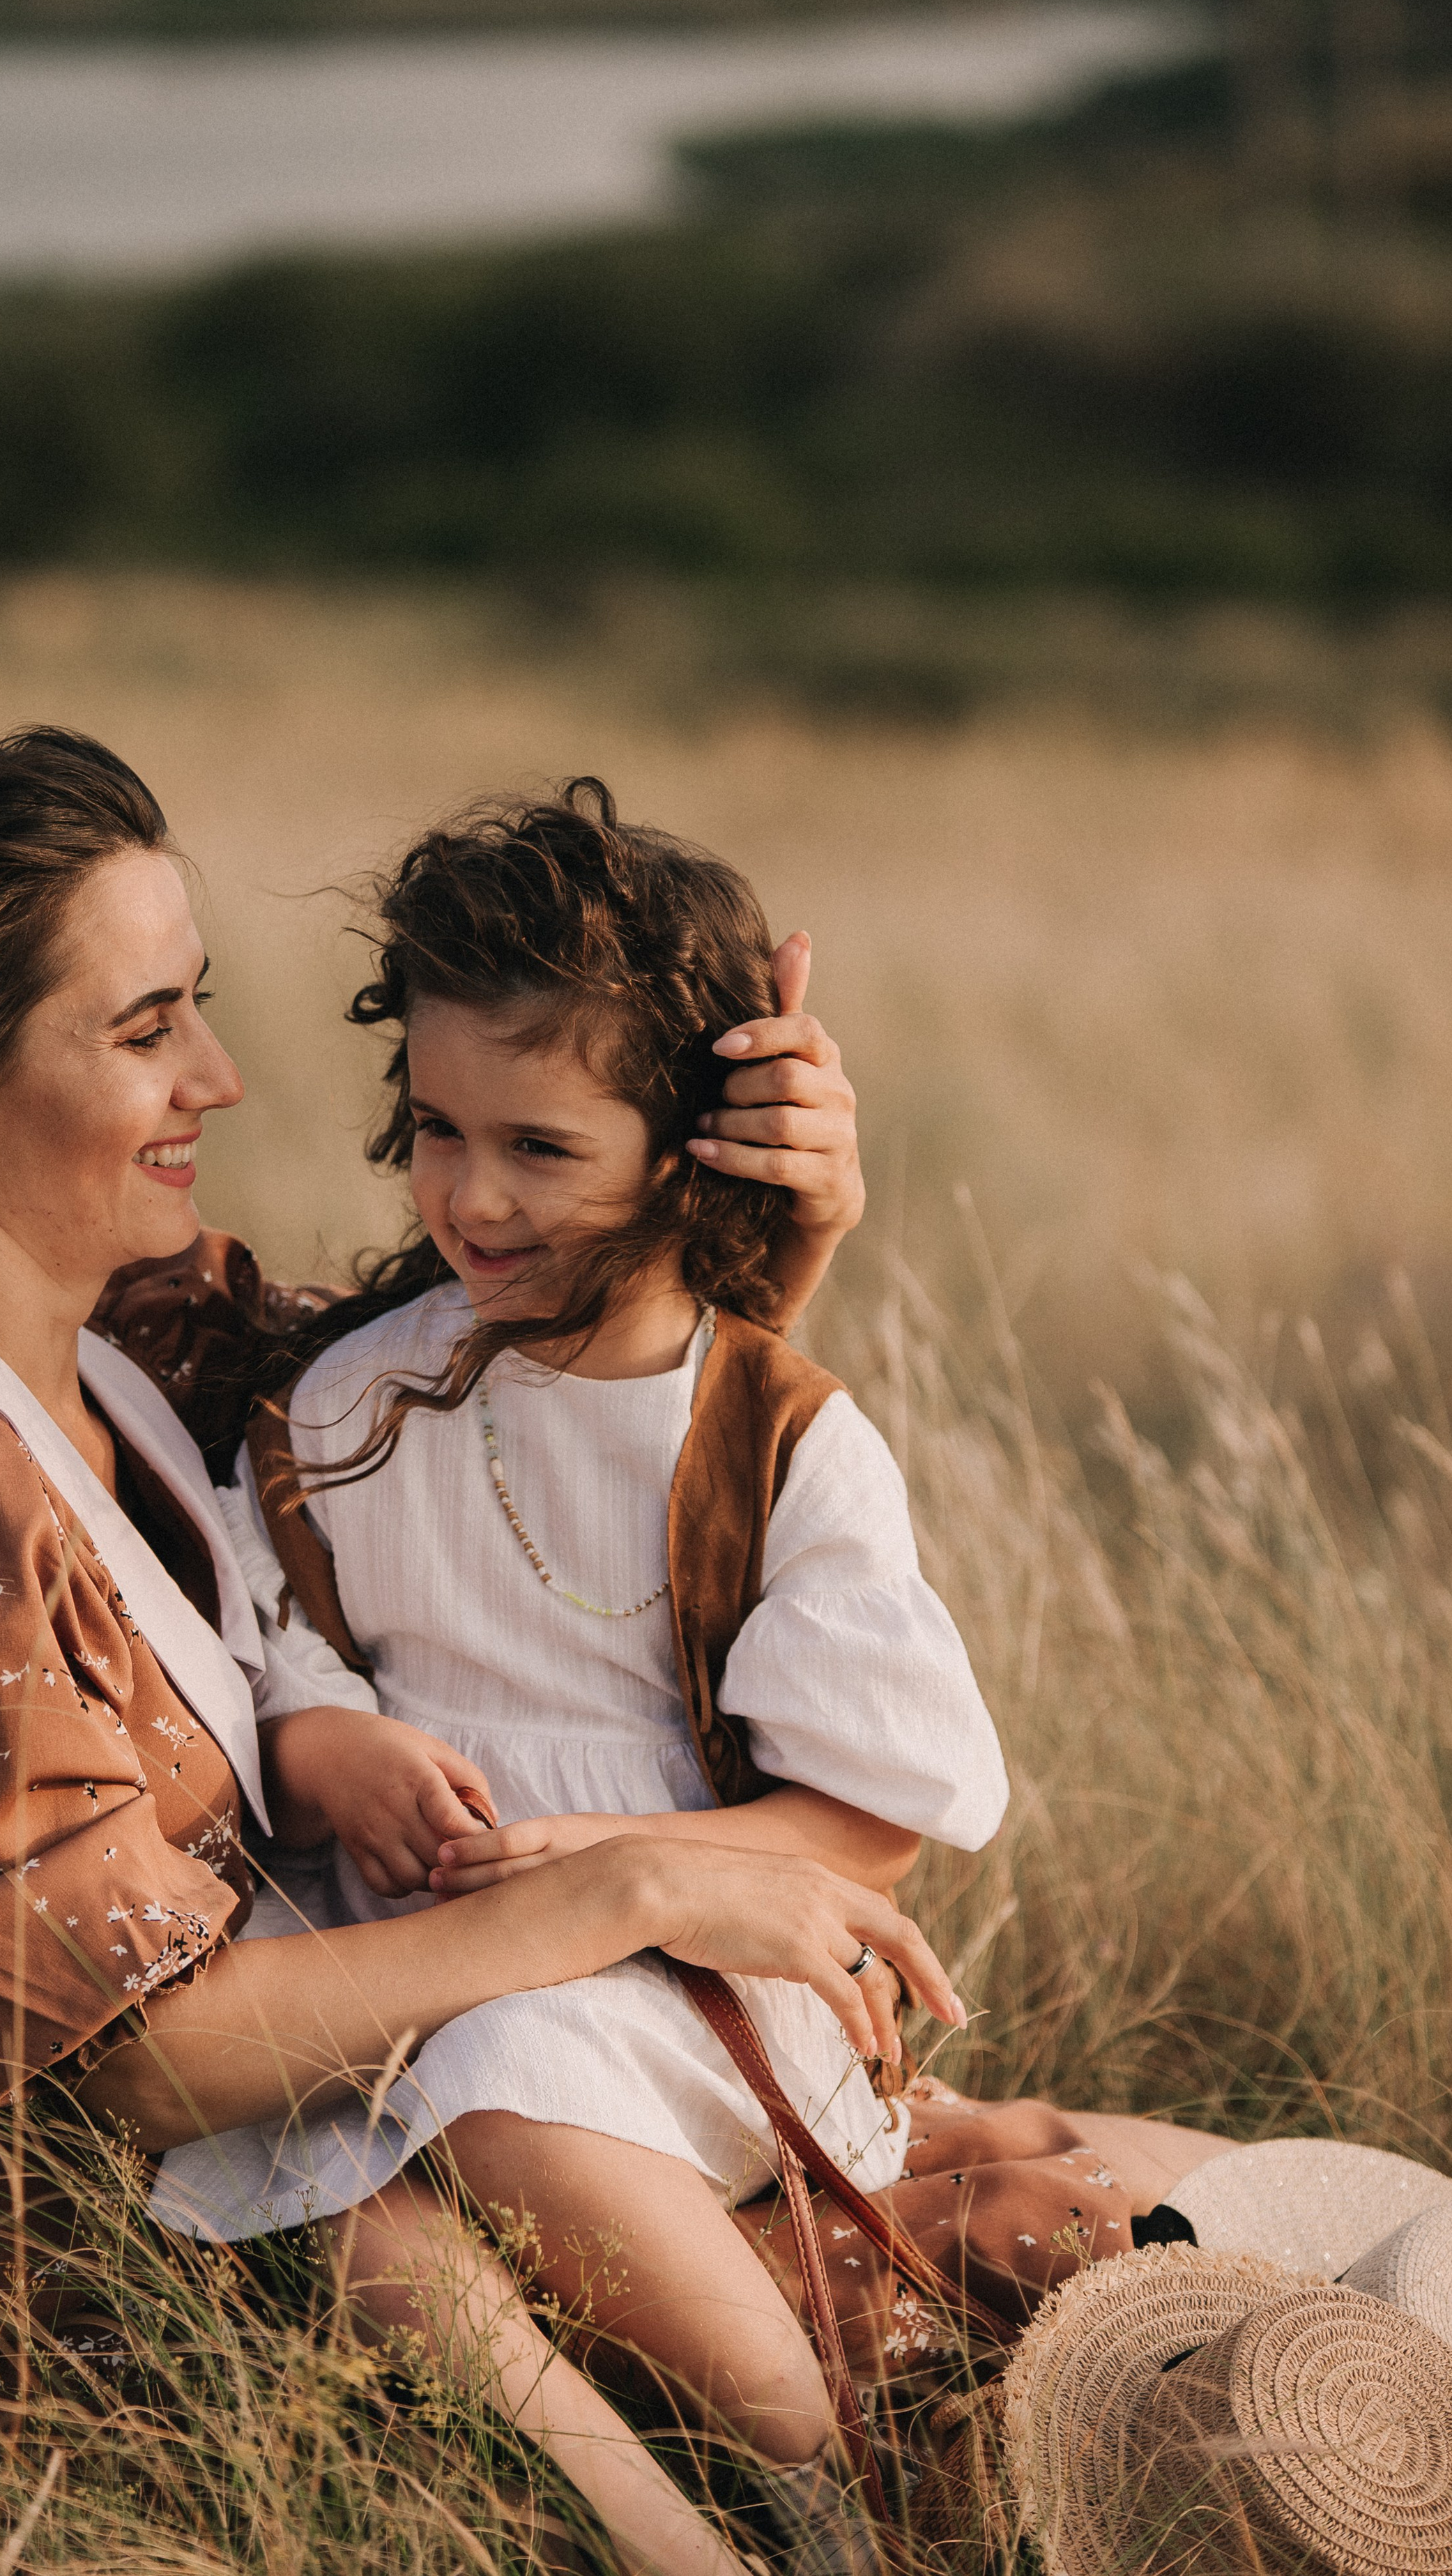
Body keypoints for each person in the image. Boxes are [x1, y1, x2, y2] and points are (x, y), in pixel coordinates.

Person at [0, 727, 917, 2576]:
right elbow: (139, 2064)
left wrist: (733, 1219)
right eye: (146, 1025)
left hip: (354, 2169)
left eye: (203, 1007)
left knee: (1003, 2219)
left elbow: (515, 1377)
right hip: (84, 2347)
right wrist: (627, 1885)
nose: (220, 1075)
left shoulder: (145, 1344)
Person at [147, 786, 1007, 2545]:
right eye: (433, 1128)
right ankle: (684, 2498)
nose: (466, 1197)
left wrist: (636, 1871)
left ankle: (806, 2462)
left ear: (686, 1143)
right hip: (417, 1941)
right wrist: (326, 1749)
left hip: (693, 1980)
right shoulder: (347, 1404)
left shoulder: (768, 1437)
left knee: (490, 2075)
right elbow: (271, 1625)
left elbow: (869, 1834)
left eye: (539, 1148)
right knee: (344, 2163)